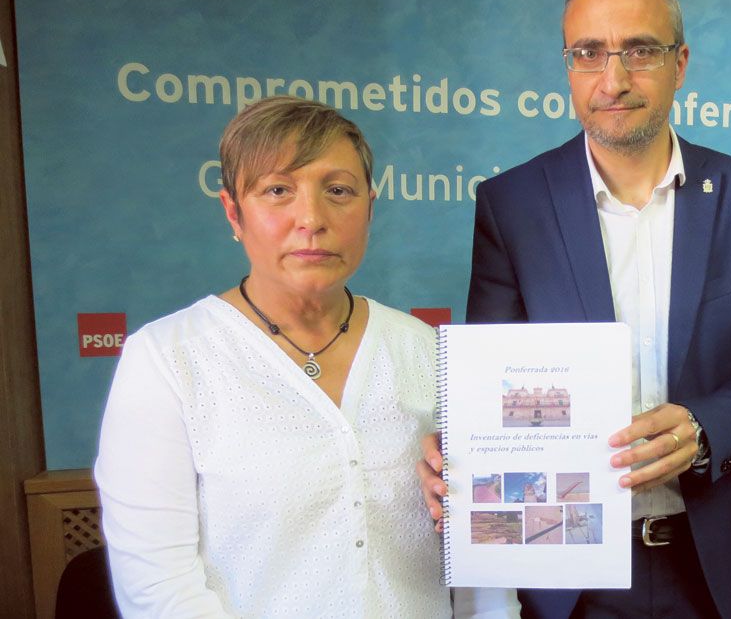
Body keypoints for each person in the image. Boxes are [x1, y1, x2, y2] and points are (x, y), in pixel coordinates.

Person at [418, 0, 731, 619]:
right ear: (568, 66)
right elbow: (494, 384)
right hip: (565, 572)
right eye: (589, 53)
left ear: (680, 63)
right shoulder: (512, 205)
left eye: (640, 50)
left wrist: (702, 427)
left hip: (709, 562)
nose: (614, 78)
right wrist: (461, 441)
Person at [94, 96, 517, 618]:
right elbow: (158, 589)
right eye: (278, 190)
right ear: (234, 212)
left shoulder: (428, 351)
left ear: (370, 206)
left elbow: (485, 569)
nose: (311, 218)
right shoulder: (167, 360)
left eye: (338, 191)